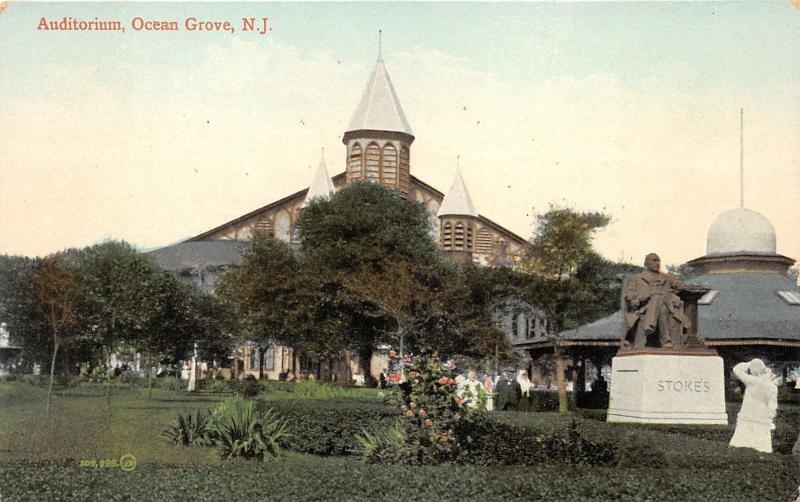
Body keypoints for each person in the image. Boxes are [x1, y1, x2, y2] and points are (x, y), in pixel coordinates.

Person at [623, 253, 690, 349]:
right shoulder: (637, 278)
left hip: (666, 305)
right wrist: (639, 297)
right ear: (646, 263)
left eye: (658, 261)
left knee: (659, 299)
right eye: (654, 261)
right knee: (659, 301)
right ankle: (666, 340)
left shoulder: (666, 277)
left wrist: (671, 293)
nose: (657, 263)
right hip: (644, 307)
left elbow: (681, 286)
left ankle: (650, 325)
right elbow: (629, 294)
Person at [729, 359, 778, 453]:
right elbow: (772, 407)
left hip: (748, 415)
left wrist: (749, 363)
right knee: (762, 448)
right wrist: (769, 420)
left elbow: (737, 369)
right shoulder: (772, 387)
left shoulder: (751, 381)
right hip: (762, 418)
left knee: (739, 445)